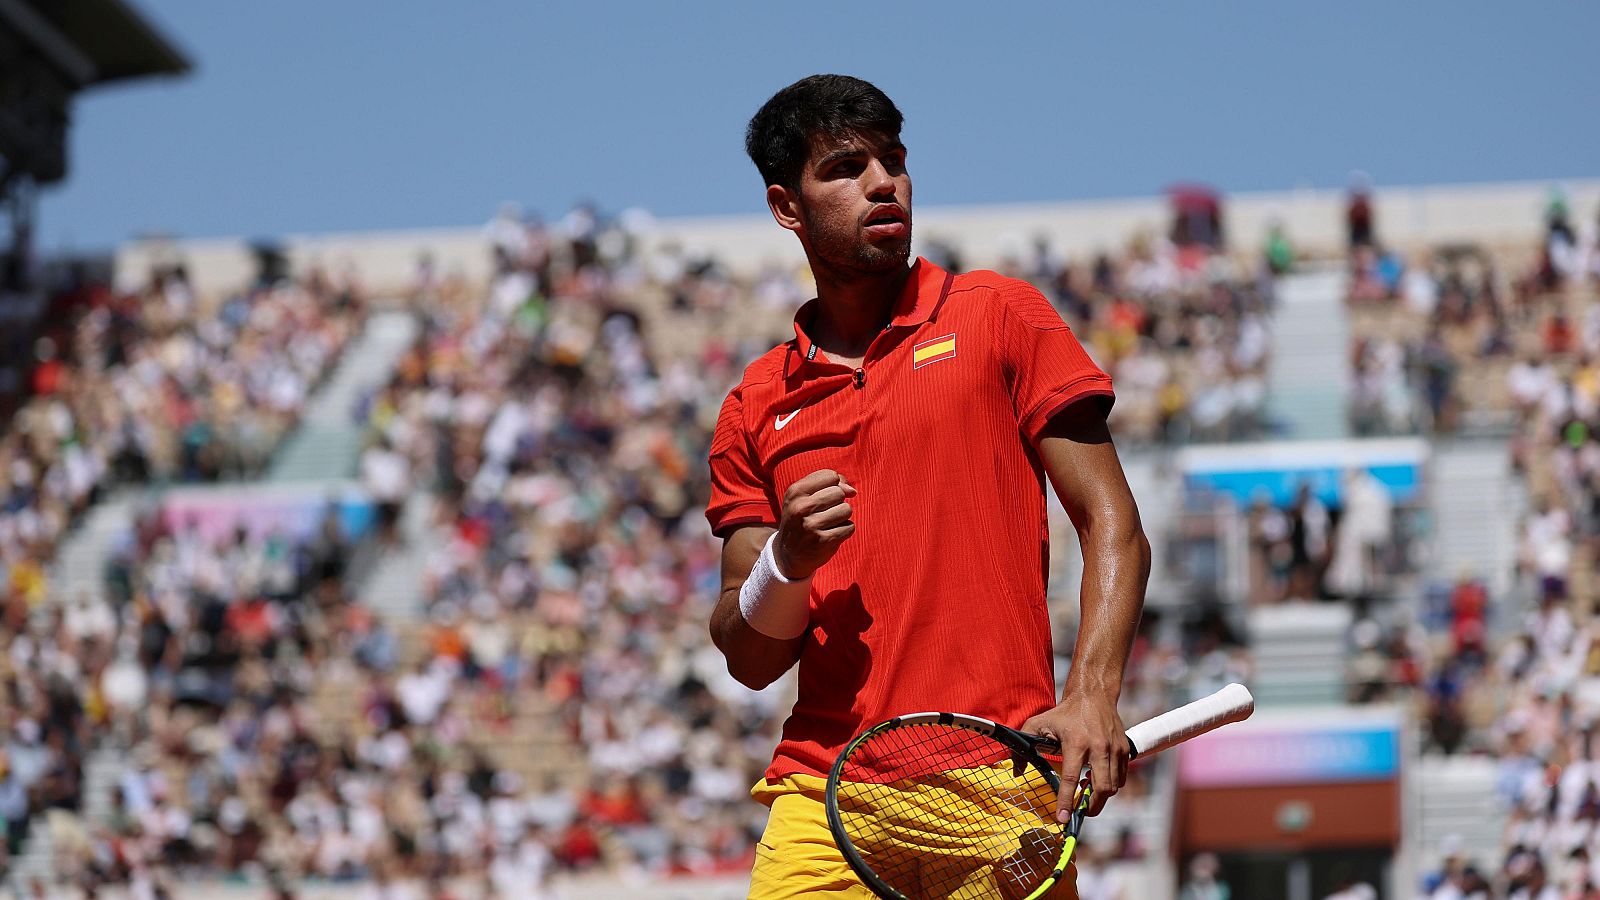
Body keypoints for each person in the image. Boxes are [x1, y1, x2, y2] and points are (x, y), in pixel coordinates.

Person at [706, 74, 1151, 899]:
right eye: (845, 167)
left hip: (999, 784)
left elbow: (1112, 523)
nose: (884, 182)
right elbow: (749, 655)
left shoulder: (1000, 316)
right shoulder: (753, 404)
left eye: (894, 159)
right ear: (786, 207)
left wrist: (1092, 694)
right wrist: (788, 560)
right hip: (822, 791)